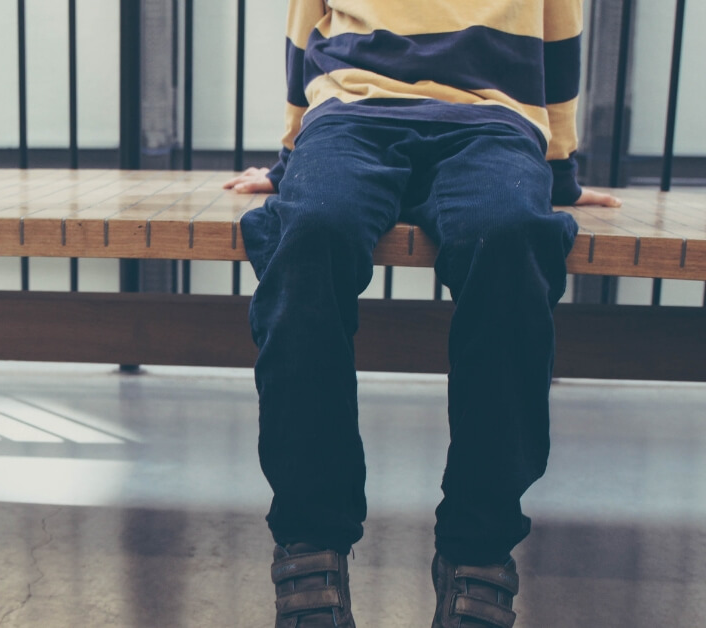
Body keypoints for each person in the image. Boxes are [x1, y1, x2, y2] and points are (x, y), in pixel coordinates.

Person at [223, 2, 621, 626]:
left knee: (512, 236)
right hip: (352, 113)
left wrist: (558, 173)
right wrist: (288, 160)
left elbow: (559, 41)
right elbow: (302, 34)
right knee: (309, 232)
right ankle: (311, 541)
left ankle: (478, 549)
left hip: (492, 120)